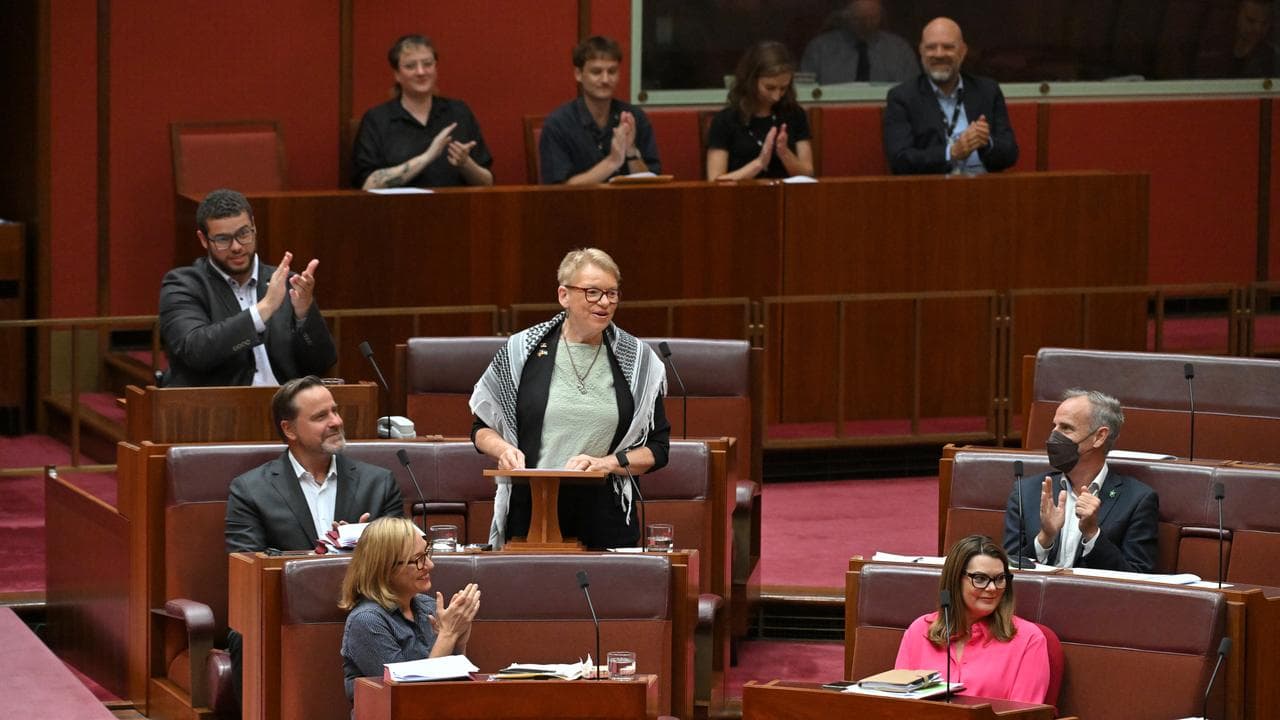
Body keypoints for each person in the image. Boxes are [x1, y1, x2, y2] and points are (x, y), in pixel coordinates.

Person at [470, 248, 670, 549]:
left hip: (606, 518)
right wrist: (503, 450)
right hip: (531, 517)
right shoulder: (521, 352)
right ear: (564, 295)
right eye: (592, 292)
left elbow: (658, 448)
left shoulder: (639, 361)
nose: (604, 302)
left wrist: (608, 463)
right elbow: (480, 429)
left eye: (612, 293)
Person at [158, 188, 337, 387]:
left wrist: (304, 314)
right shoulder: (184, 285)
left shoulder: (286, 282)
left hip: (287, 409)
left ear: (254, 227)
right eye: (223, 239)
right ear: (203, 239)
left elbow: (322, 363)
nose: (236, 246)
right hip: (220, 411)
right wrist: (265, 308)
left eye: (243, 233)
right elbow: (195, 351)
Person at [225, 375, 405, 554]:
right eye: (321, 416)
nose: (336, 422)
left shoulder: (379, 484)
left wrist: (366, 547)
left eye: (335, 411)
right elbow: (248, 567)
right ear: (289, 429)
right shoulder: (251, 491)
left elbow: (402, 558)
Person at [1003, 389, 1160, 573]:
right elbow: (1006, 568)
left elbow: (1138, 578)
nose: (1053, 437)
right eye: (1054, 426)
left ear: (1099, 437)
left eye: (1066, 428)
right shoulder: (1026, 491)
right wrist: (1045, 538)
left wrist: (1092, 534)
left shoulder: (1137, 500)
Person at [895, 535, 1050, 704]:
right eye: (980, 579)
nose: (992, 588)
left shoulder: (1029, 639)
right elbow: (899, 705)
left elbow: (1024, 716)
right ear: (955, 580)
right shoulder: (919, 631)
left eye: (1000, 579)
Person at [340, 517, 481, 702]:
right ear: (384, 567)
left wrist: (458, 642)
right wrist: (448, 635)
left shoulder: (426, 606)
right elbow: (410, 700)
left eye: (427, 554)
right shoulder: (367, 621)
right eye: (417, 560)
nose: (430, 565)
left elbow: (453, 689)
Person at [352, 34, 493, 189]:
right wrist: (426, 157)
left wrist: (466, 164)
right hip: (396, 210)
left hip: (455, 210)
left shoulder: (459, 111)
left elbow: (487, 183)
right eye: (410, 66)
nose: (421, 72)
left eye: (427, 64)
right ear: (397, 74)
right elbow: (367, 185)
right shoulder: (377, 119)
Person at [882, 17, 1018, 175]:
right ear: (921, 51)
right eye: (931, 47)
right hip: (931, 192)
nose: (939, 54)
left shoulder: (987, 90)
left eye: (948, 47)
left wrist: (986, 142)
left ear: (963, 51)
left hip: (984, 189)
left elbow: (1010, 154)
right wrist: (951, 153)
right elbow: (900, 161)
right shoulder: (902, 97)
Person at [539, 36, 661, 185]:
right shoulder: (558, 124)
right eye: (596, 72)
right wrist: (612, 162)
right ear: (578, 74)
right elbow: (560, 191)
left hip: (627, 205)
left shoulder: (635, 117)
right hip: (579, 207)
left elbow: (652, 186)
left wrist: (631, 153)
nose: (605, 79)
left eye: (612, 71)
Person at [706, 41, 815, 181]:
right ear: (751, 81)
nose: (777, 96)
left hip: (787, 198)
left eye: (783, 88)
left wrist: (784, 153)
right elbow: (715, 182)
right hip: (739, 199)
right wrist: (759, 163)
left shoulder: (794, 114)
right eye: (770, 88)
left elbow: (809, 175)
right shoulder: (725, 120)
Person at [800, 0, 919, 84]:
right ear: (846, 17)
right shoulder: (820, 49)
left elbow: (915, 94)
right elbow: (804, 92)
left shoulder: (900, 50)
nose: (866, 24)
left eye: (872, 18)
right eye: (859, 19)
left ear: (881, 17)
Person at [1196, 0, 1276, 78]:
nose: (1258, 29)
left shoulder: (1273, 58)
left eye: (1264, 23)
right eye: (1250, 21)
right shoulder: (1213, 50)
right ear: (1237, 15)